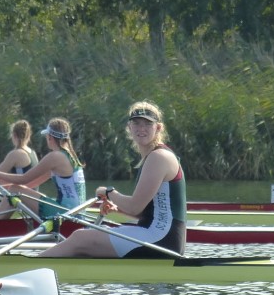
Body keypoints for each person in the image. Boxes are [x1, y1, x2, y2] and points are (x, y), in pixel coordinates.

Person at [40, 101, 186, 258]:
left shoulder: (159, 157)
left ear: (158, 128)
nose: (141, 128)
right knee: (93, 235)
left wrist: (108, 192)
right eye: (136, 123)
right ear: (129, 127)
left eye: (147, 124)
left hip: (161, 239)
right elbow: (143, 213)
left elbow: (134, 207)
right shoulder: (154, 156)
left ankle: (32, 265)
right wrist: (117, 208)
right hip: (159, 237)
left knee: (80, 238)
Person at [0, 117, 86, 221]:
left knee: (15, 190)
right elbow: (32, 183)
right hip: (76, 213)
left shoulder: (55, 156)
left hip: (66, 215)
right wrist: (0, 188)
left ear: (50, 137)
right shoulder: (70, 155)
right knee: (15, 189)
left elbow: (24, 179)